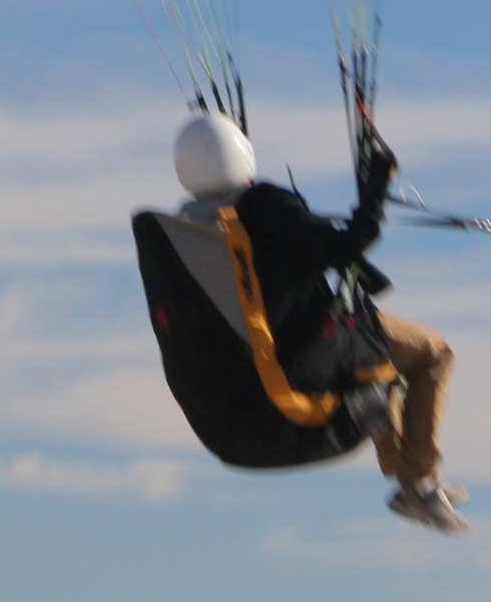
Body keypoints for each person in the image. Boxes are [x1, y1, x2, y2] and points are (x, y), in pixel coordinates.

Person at [173, 108, 466, 531]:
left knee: (376, 363)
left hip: (263, 373)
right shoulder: (263, 206)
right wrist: (376, 187)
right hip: (312, 352)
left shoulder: (191, 230)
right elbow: (348, 244)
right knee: (433, 353)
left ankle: (410, 479)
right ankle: (417, 480)